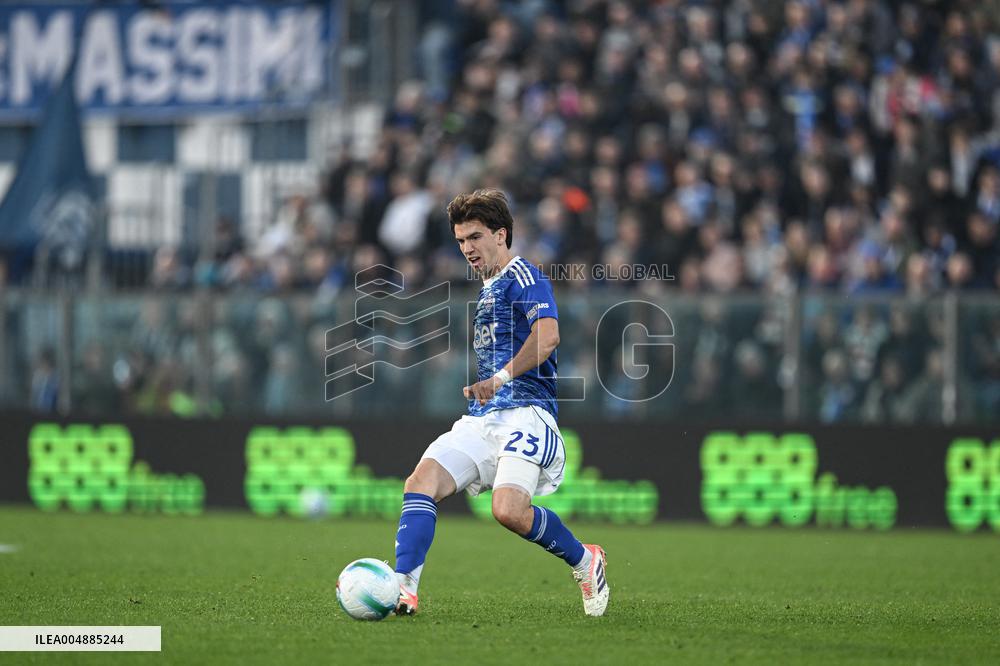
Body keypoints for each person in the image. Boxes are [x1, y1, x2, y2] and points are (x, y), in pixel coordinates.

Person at [392, 189, 609, 617]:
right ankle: (403, 590)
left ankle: (586, 560)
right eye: (460, 241)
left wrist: (499, 379)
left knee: (508, 511)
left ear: (501, 234)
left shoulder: (524, 276)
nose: (467, 248)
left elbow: (548, 337)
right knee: (419, 483)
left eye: (474, 237)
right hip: (483, 419)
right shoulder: (488, 288)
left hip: (527, 413)